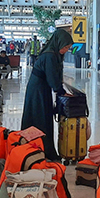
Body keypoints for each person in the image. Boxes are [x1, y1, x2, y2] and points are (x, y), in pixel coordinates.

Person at [21, 29, 73, 161]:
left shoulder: (52, 54)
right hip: (38, 90)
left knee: (39, 117)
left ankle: (36, 148)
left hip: (40, 89)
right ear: (59, 43)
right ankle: (41, 149)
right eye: (65, 47)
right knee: (40, 119)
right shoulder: (50, 56)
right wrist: (61, 92)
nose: (66, 50)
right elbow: (52, 78)